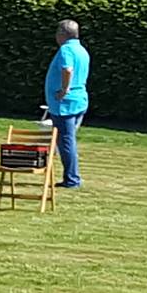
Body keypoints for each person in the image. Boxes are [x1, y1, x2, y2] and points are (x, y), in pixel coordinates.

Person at [46, 19, 90, 188]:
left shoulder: (67, 49)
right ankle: (68, 175)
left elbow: (67, 69)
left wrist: (64, 89)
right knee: (67, 140)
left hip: (66, 104)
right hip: (79, 100)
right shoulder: (81, 50)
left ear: (63, 34)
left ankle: (71, 179)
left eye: (58, 32)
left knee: (66, 142)